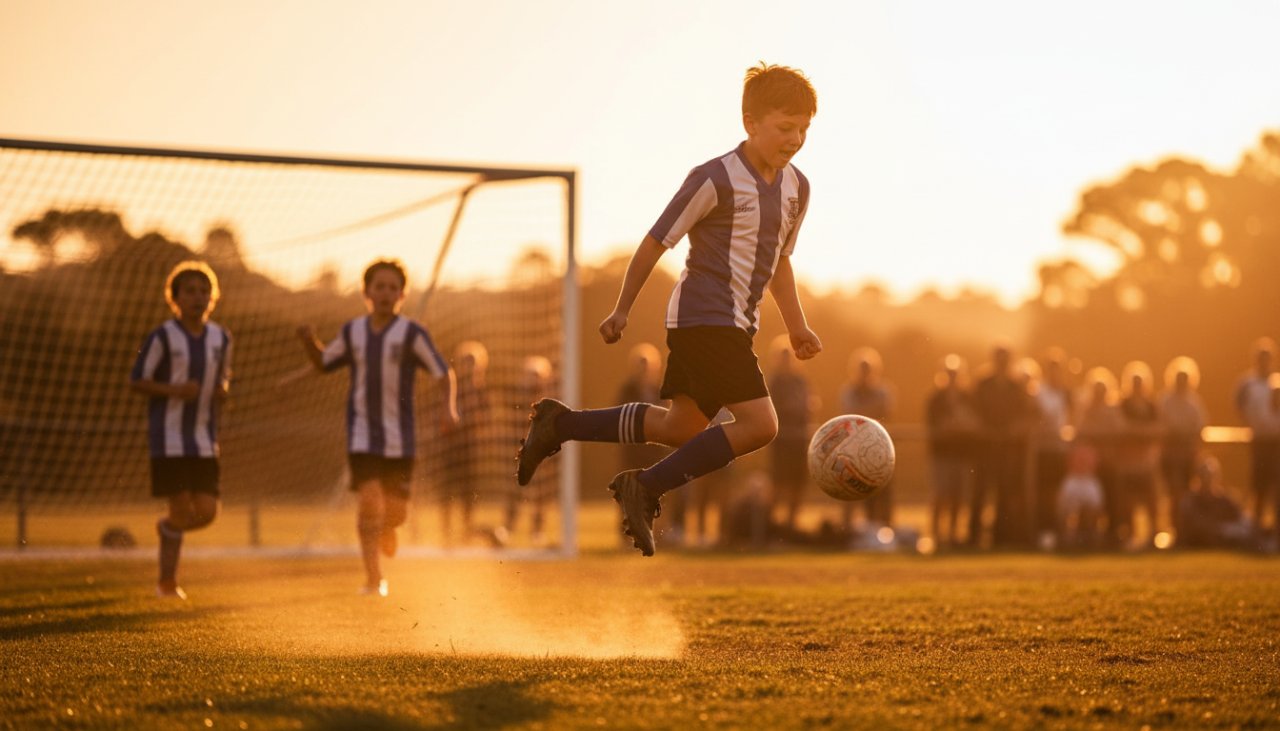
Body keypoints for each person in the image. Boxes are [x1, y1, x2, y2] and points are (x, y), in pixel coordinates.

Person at [516, 62, 821, 556]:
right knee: (762, 426)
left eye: (805, 128)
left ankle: (559, 424)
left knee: (679, 428)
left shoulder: (797, 189)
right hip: (705, 317)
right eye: (786, 127)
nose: (796, 138)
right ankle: (647, 486)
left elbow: (780, 261)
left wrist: (798, 326)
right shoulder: (714, 177)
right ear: (751, 122)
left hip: (735, 327)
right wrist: (621, 309)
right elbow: (657, 241)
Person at [297, 259, 457, 596]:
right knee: (370, 502)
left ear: (402, 294)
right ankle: (374, 578)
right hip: (362, 436)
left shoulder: (412, 334)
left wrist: (449, 409)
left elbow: (443, 373)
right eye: (379, 287)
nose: (385, 293)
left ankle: (388, 528)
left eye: (392, 287)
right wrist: (309, 341)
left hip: (402, 440)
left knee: (395, 513)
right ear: (366, 292)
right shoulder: (352, 332)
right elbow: (324, 363)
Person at [130, 261, 232, 599]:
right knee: (181, 507)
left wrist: (222, 391)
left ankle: (168, 530)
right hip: (170, 440)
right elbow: (138, 381)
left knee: (206, 512)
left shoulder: (221, 338)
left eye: (204, 291)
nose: (198, 297)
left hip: (204, 441)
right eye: (190, 291)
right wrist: (174, 390)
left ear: (212, 297)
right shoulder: (162, 336)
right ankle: (167, 583)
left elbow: (222, 379)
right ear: (175, 298)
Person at [970, 344, 1034, 549]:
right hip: (985, 447)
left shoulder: (1017, 386)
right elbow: (974, 410)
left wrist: (1013, 429)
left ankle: (1001, 537)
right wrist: (985, 429)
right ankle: (974, 537)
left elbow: (1027, 413)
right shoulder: (983, 384)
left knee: (1004, 494)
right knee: (979, 492)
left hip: (1007, 449)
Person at [838, 347, 895, 539]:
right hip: (853, 451)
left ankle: (883, 533)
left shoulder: (883, 391)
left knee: (881, 494)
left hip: (877, 450)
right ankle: (847, 533)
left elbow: (885, 414)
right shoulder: (849, 391)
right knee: (850, 491)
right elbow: (850, 415)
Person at [439, 340, 491, 547]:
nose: (469, 365)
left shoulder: (481, 390)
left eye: (473, 361)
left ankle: (465, 530)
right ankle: (446, 532)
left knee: (468, 491)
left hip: (471, 447)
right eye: (465, 361)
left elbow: (487, 418)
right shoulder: (452, 388)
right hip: (450, 446)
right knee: (447, 490)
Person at [924, 355, 978, 549]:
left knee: (958, 497)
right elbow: (936, 427)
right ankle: (936, 535)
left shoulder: (968, 397)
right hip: (942, 455)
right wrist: (955, 424)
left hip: (962, 455)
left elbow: (973, 424)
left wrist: (958, 424)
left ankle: (954, 536)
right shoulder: (936, 399)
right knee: (940, 496)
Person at [766, 334, 817, 534]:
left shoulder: (800, 381)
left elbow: (808, 405)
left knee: (797, 485)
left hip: (798, 441)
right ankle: (770, 527)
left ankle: (790, 526)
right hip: (781, 441)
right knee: (779, 484)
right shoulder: (774, 382)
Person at [1159, 356, 1208, 538]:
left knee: (1186, 492)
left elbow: (1200, 426)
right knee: (1174, 491)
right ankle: (1174, 528)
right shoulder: (1165, 401)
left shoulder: (1194, 402)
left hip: (1188, 453)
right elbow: (1162, 424)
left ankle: (1185, 530)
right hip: (1171, 454)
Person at [1115, 361, 1162, 548]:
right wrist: (1142, 431)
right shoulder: (1123, 404)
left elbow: (1158, 428)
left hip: (1146, 462)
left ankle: (1153, 535)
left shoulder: (1151, 405)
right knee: (1127, 501)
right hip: (1127, 462)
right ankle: (1130, 535)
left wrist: (1138, 431)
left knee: (1151, 499)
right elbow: (1121, 428)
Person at [1235, 337, 1279, 536]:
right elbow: (1239, 407)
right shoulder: (1247, 383)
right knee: (1259, 484)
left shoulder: (1276, 382)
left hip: (1277, 440)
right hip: (1260, 440)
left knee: (1276, 484)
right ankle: (1256, 526)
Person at [1031, 350, 1073, 549]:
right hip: (1044, 450)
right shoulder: (1039, 392)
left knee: (1061, 492)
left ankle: (1061, 530)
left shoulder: (1066, 393)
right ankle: (1045, 531)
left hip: (1060, 449)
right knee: (1045, 492)